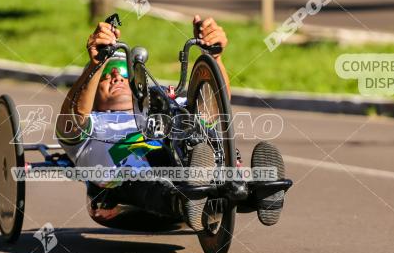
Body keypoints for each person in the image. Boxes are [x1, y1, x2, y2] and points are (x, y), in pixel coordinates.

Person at [55, 15, 284, 231]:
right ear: (92, 93)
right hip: (126, 185)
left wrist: (213, 57)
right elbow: (71, 120)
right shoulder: (92, 123)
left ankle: (257, 189)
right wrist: (96, 64)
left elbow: (213, 106)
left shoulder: (161, 102)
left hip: (187, 158)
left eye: (125, 75)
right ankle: (188, 197)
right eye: (107, 76)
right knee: (143, 172)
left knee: (198, 123)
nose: (117, 77)